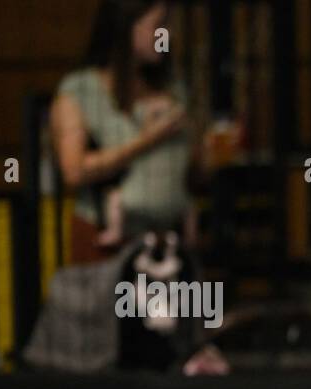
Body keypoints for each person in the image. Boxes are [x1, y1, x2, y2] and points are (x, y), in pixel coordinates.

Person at [50, 0, 204, 264]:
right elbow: (73, 171)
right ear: (125, 28)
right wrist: (148, 140)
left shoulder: (171, 86)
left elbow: (191, 168)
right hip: (107, 240)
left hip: (168, 238)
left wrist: (205, 148)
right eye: (158, 25)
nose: (166, 34)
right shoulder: (82, 89)